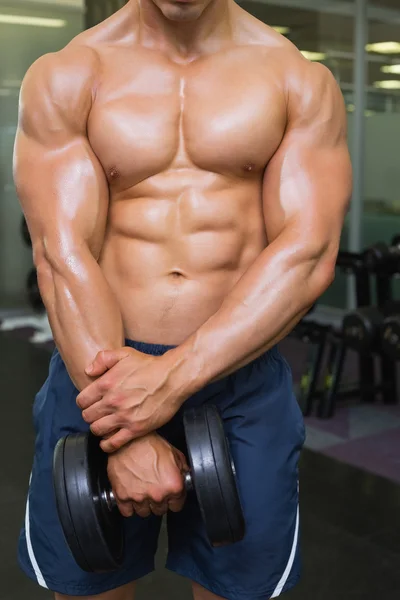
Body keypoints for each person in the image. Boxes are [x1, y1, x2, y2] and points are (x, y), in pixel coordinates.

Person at [14, 0, 352, 598]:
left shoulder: (295, 79)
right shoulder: (70, 74)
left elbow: (307, 252)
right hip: (96, 367)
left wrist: (168, 383)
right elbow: (62, 255)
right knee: (89, 585)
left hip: (236, 374)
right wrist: (123, 424)